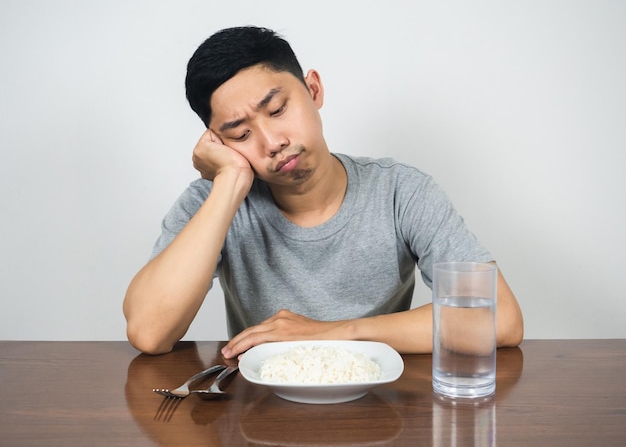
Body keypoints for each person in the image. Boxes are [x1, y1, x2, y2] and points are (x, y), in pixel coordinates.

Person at [123, 26, 523, 357]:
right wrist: (228, 183)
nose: (272, 141)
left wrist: (332, 332)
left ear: (313, 90)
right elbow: (149, 332)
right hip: (261, 410)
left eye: (278, 110)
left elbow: (500, 318)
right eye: (241, 134)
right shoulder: (211, 203)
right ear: (218, 143)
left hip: (381, 403)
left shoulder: (401, 190)